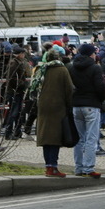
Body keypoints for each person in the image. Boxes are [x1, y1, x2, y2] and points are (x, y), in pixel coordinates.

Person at [68, 43, 105, 178]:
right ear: (91, 54)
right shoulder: (95, 68)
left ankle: (78, 167)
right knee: (91, 138)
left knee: (79, 138)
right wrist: (103, 100)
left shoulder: (72, 67)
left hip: (76, 104)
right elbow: (100, 87)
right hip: (91, 104)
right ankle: (89, 167)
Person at [35, 47, 73, 177]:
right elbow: (69, 89)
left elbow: (33, 88)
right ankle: (53, 167)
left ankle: (48, 167)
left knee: (46, 138)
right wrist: (69, 105)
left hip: (43, 106)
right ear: (58, 58)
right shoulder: (62, 70)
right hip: (57, 106)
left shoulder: (41, 69)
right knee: (55, 138)